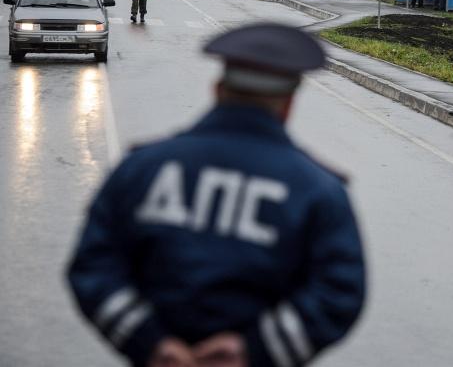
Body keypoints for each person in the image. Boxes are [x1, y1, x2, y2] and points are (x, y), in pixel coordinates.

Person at [67, 24, 367, 367]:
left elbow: (93, 266)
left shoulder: (143, 167)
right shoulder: (317, 190)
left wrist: (152, 342)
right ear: (287, 104)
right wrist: (252, 350)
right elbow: (339, 293)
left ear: (218, 90)